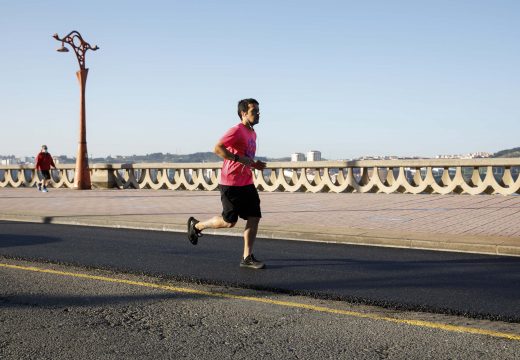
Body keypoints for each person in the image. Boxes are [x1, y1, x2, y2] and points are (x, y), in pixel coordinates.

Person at [187, 98, 267, 269]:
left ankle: (247, 257)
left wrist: (254, 164)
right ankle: (198, 226)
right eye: (254, 111)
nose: (258, 114)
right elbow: (217, 148)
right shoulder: (236, 130)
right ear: (243, 113)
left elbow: (246, 158)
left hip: (246, 182)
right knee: (229, 222)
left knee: (255, 217)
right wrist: (237, 158)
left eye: (259, 111)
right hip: (230, 183)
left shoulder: (252, 132)